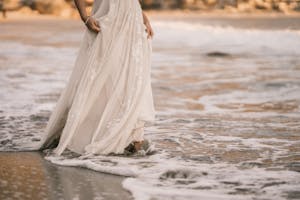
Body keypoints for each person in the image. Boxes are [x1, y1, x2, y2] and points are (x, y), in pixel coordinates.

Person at [38, 0, 156, 156]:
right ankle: (94, 135)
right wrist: (84, 17)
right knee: (99, 78)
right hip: (107, 19)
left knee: (129, 77)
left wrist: (143, 17)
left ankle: (129, 137)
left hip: (132, 21)